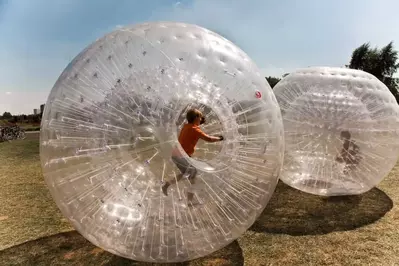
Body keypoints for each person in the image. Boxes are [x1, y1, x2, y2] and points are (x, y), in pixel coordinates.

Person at [162, 108, 224, 202]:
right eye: (200, 116)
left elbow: (192, 130)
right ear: (196, 118)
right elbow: (209, 139)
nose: (201, 118)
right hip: (180, 156)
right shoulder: (195, 129)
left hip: (178, 154)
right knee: (192, 173)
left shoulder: (187, 126)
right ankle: (185, 197)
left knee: (190, 174)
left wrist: (199, 122)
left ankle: (186, 198)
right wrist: (220, 138)